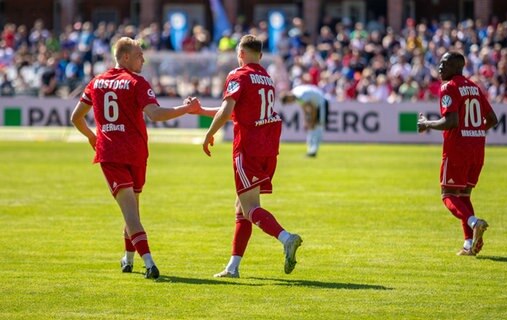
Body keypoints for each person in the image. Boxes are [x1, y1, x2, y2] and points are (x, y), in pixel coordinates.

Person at [71, 37, 200, 279]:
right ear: (126, 57)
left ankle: (128, 259)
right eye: (140, 54)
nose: (144, 59)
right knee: (131, 211)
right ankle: (149, 262)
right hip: (135, 153)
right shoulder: (137, 82)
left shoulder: (97, 82)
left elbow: (76, 117)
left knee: (131, 211)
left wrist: (92, 137)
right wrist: (186, 109)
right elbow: (155, 114)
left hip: (111, 152)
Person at [189, 34, 303, 278]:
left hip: (248, 146)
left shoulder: (237, 75)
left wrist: (209, 134)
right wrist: (201, 110)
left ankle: (286, 238)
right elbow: (235, 112)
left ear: (240, 54)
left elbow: (228, 109)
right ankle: (233, 267)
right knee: (241, 207)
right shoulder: (266, 78)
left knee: (250, 207)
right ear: (260, 56)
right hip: (268, 147)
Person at [417, 51, 498, 256]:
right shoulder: (474, 87)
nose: (440, 67)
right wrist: (474, 132)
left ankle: (474, 222)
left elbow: (450, 121)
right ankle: (468, 245)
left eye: (445, 64)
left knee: (448, 195)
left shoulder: (449, 87)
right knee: (463, 195)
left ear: (456, 67)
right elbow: (493, 119)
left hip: (457, 150)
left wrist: (427, 124)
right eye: (440, 63)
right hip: (477, 150)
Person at [280, 84, 329, 157]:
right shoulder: (295, 94)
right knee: (311, 127)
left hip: (321, 103)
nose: (290, 103)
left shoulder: (301, 95)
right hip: (316, 103)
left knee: (318, 125)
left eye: (288, 102)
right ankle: (311, 150)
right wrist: (307, 120)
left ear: (288, 98)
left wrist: (312, 121)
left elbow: (312, 108)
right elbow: (304, 107)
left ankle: (313, 150)